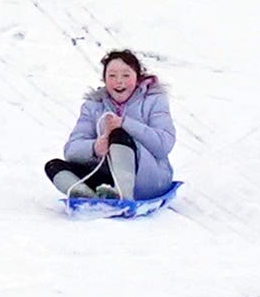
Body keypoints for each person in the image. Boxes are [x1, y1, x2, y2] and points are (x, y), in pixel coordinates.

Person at [45, 47, 177, 203]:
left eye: (126, 75)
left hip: (148, 180)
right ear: (105, 79)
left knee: (118, 135)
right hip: (106, 177)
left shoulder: (154, 100)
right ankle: (89, 198)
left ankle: (124, 197)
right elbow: (71, 150)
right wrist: (95, 147)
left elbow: (163, 145)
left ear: (137, 78)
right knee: (54, 166)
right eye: (112, 76)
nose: (119, 81)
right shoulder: (94, 106)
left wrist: (125, 124)